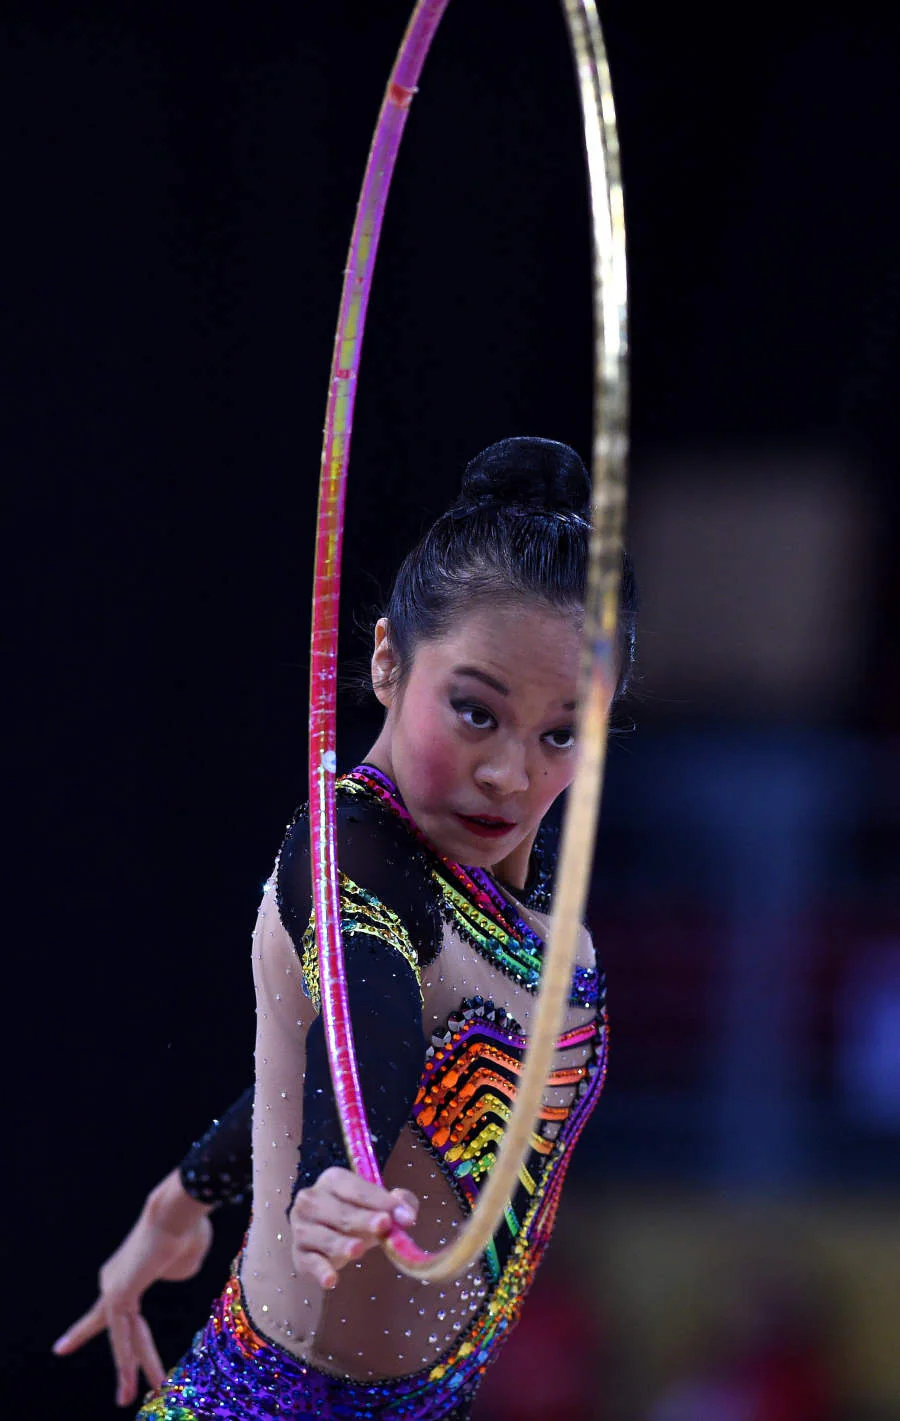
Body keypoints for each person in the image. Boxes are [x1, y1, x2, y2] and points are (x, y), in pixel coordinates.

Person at [53, 436, 637, 1420]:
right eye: (476, 711)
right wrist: (332, 1171)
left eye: (561, 732)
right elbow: (370, 1035)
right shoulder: (347, 856)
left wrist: (184, 1193)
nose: (512, 773)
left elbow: (320, 1067)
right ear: (386, 658)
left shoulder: (506, 905)